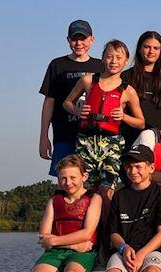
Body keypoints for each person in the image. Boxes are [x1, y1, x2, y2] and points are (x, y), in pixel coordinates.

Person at [63, 39, 145, 197]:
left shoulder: (128, 91)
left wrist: (124, 116)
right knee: (84, 189)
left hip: (111, 144)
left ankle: (107, 221)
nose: (114, 61)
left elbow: (141, 123)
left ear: (126, 61)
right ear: (103, 58)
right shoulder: (88, 80)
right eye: (109, 56)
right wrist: (78, 111)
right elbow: (67, 103)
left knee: (106, 190)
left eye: (119, 57)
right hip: (86, 142)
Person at [39, 20, 103, 176]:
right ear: (68, 40)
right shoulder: (57, 65)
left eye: (83, 38)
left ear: (92, 39)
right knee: (66, 182)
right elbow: (49, 102)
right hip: (64, 135)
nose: (79, 43)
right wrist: (43, 136)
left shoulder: (101, 66)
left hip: (92, 137)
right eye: (74, 39)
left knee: (91, 183)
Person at [122, 31, 161, 148]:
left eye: (156, 48)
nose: (151, 51)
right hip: (130, 138)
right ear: (139, 49)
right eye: (147, 47)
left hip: (157, 139)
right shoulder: (126, 76)